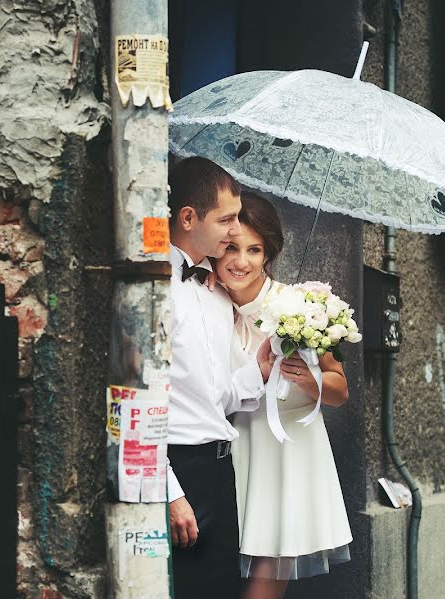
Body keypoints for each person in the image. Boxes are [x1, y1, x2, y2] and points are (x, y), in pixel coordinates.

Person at [213, 193, 353, 599]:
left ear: (267, 255)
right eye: (233, 248)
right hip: (233, 450)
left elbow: (340, 389)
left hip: (289, 454)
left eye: (254, 250)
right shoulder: (207, 302)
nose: (241, 261)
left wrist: (310, 381)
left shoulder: (298, 309)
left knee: (265, 581)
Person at [166, 157, 281, 598]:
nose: (235, 231)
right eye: (227, 220)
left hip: (219, 468)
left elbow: (220, 396)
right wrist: (170, 492)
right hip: (179, 469)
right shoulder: (155, 283)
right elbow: (134, 396)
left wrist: (261, 368)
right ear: (189, 218)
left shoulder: (216, 296)